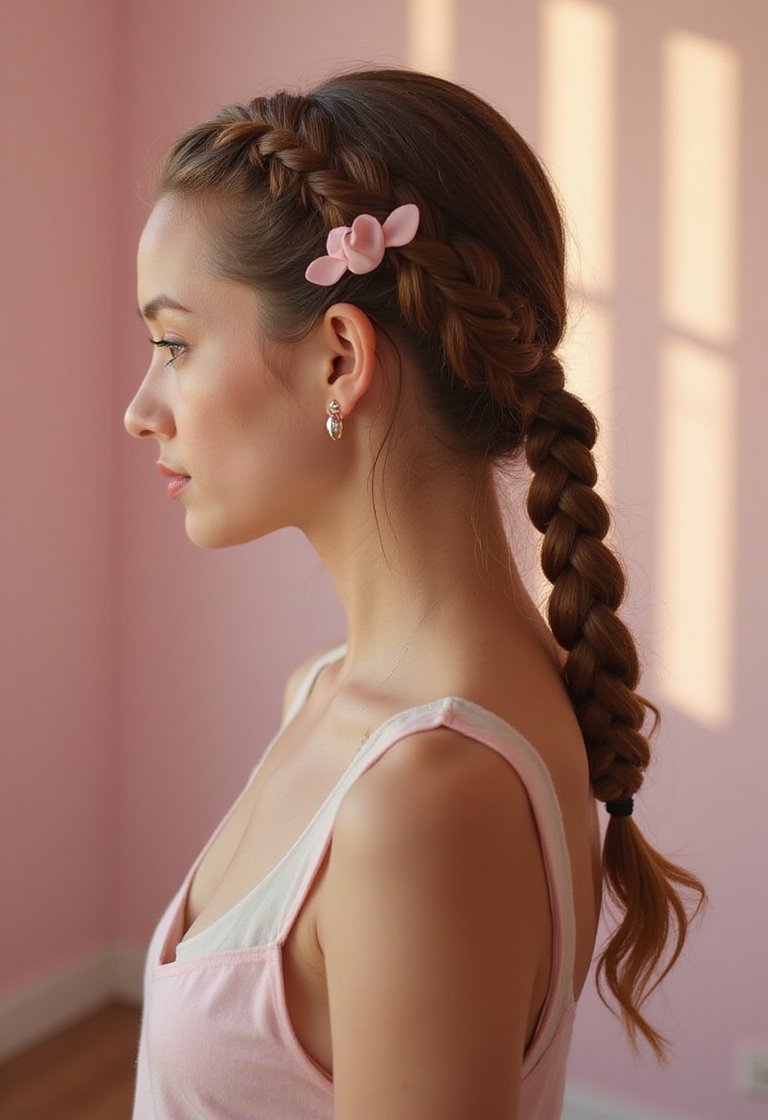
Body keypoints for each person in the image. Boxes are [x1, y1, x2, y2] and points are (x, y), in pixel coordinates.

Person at [124, 67, 706, 1119]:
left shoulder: (425, 797)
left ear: (341, 357)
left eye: (174, 344)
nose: (140, 408)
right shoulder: (338, 695)